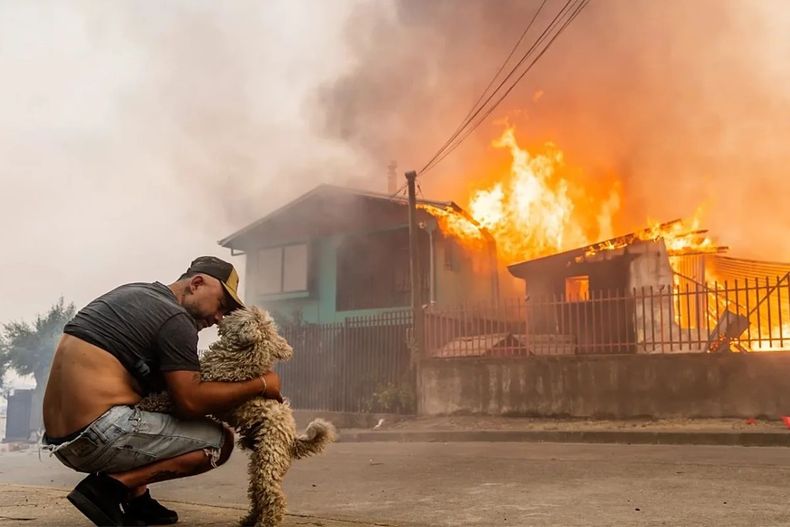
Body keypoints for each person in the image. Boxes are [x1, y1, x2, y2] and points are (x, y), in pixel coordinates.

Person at [42, 256, 282, 526]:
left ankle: (138, 501)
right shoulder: (175, 319)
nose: (218, 319)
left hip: (61, 442)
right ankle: (108, 489)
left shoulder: (135, 293)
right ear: (197, 283)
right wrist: (261, 384)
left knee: (144, 398)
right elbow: (189, 402)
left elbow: (155, 391)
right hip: (98, 435)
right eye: (221, 305)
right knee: (219, 442)